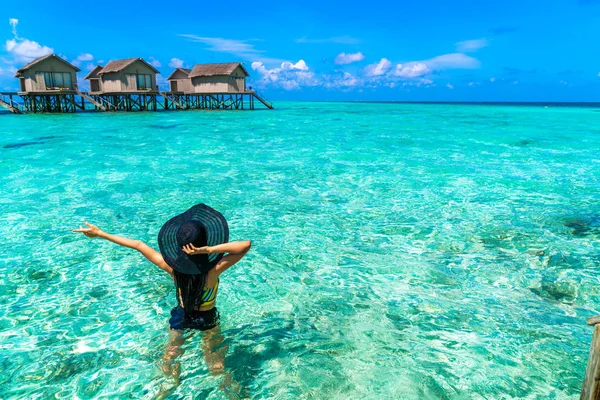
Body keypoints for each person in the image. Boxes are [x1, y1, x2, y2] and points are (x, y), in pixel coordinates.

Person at [72, 203, 251, 394]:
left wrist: (101, 234)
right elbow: (244, 245)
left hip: (181, 317)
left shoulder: (174, 271)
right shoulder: (212, 273)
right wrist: (208, 250)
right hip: (207, 319)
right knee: (216, 364)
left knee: (170, 357)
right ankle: (235, 395)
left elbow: (138, 245)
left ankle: (166, 389)